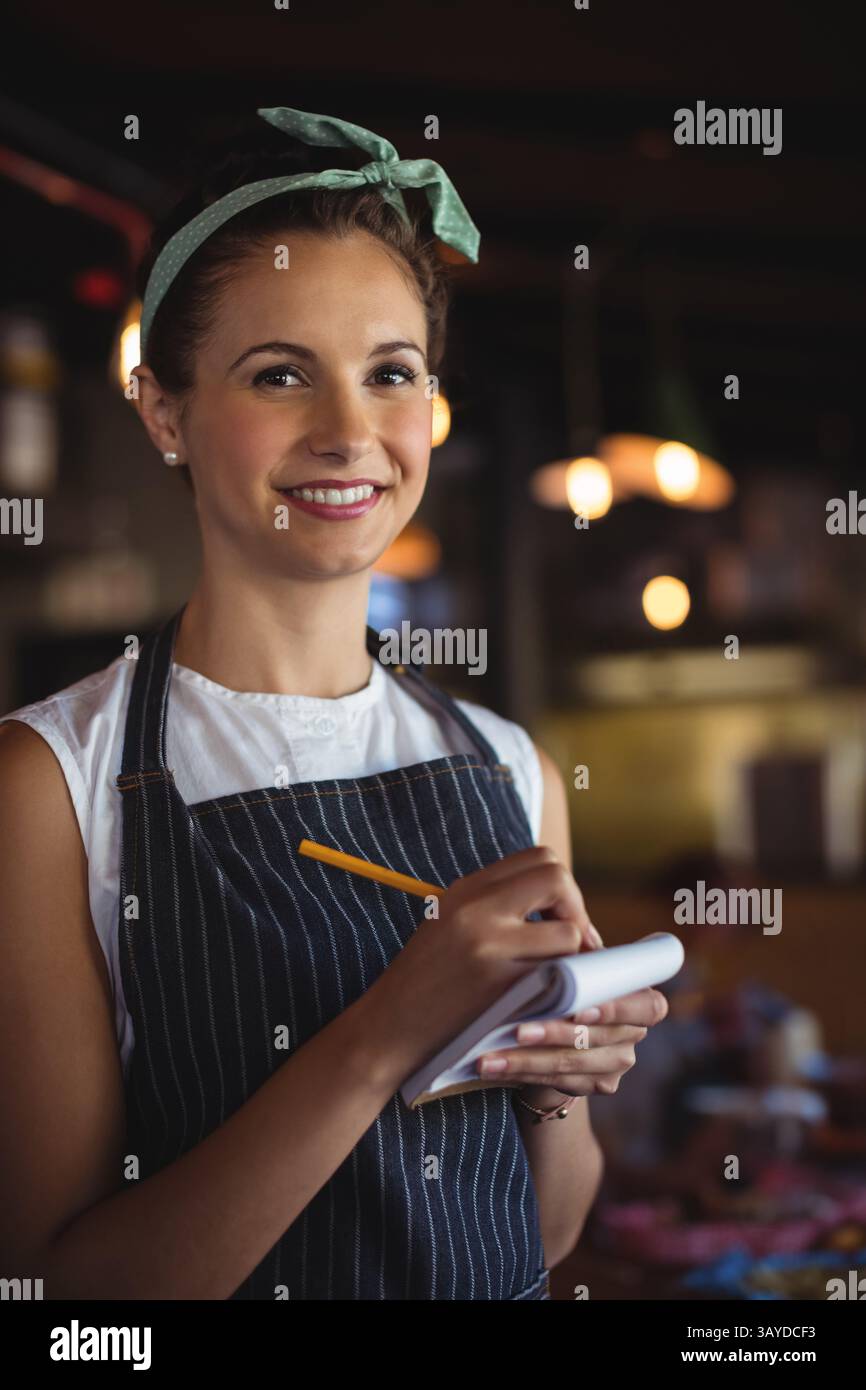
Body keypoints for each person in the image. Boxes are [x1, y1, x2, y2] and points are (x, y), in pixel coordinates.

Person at [0, 107, 668, 1300]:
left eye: (390, 374)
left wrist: (558, 1082)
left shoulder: (508, 765)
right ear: (164, 410)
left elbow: (550, 1231)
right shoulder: (48, 784)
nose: (350, 433)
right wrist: (383, 1033)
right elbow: (64, 1298)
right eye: (278, 374)